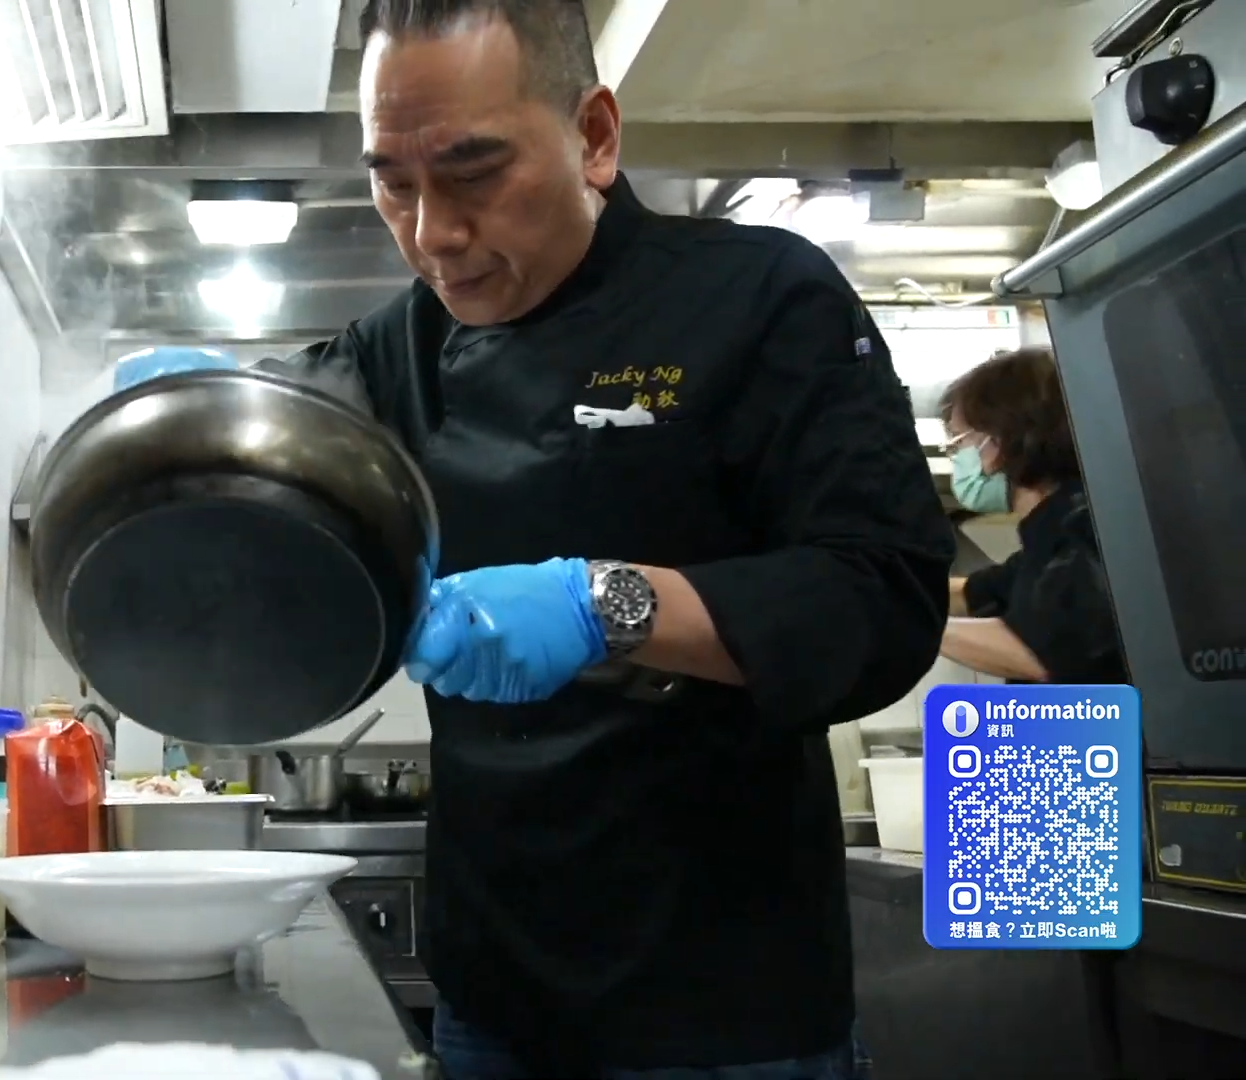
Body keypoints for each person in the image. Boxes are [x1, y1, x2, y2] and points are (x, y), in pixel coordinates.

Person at [155, 1, 954, 1075]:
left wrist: (605, 605)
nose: (432, 234)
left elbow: (881, 595)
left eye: (474, 170)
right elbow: (277, 471)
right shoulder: (401, 346)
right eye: (393, 182)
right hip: (494, 987)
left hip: (721, 998)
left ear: (595, 137)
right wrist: (193, 426)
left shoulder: (762, 295)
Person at [940, 347, 1127, 684]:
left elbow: (1036, 654)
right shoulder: (1053, 525)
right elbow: (981, 592)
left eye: (959, 441)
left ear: (998, 442)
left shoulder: (1081, 530)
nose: (957, 455)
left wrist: (911, 628)